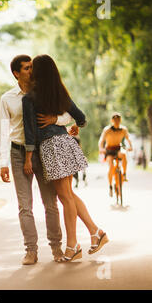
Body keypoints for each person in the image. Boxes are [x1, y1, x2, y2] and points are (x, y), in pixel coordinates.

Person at [22, 54, 108, 262]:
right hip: (66, 144)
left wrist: (28, 157)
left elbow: (30, 132)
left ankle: (73, 246)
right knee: (68, 194)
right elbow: (82, 119)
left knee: (65, 197)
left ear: (38, 71)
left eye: (33, 67)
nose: (30, 70)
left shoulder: (30, 98)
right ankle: (96, 233)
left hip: (51, 147)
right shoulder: (60, 93)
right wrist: (60, 120)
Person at [0, 54, 73, 264]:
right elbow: (3, 132)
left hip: (44, 150)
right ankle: (31, 250)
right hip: (18, 153)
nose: (32, 71)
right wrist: (3, 163)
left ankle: (56, 248)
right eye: (27, 68)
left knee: (50, 203)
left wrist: (54, 119)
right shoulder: (7, 99)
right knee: (25, 205)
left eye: (32, 67)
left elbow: (68, 115)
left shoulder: (46, 92)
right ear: (16, 73)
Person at [98, 112, 133, 196]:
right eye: (115, 120)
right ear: (112, 120)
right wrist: (101, 148)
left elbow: (128, 139)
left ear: (120, 120)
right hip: (109, 150)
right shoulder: (107, 130)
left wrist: (130, 146)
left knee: (124, 155)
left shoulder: (123, 129)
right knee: (111, 167)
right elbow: (101, 140)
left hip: (118, 148)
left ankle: (124, 174)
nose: (116, 121)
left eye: (118, 119)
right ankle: (110, 186)